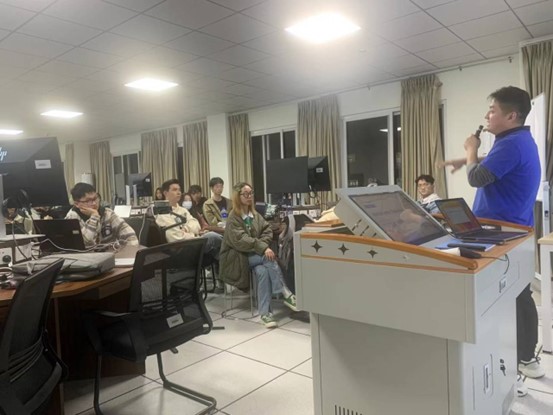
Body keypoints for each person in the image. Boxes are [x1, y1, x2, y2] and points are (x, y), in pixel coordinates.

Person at [441, 86, 543, 395]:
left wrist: (471, 149)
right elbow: (495, 165)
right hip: (514, 228)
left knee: (506, 297)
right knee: (520, 294)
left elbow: (478, 178)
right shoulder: (519, 141)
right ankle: (526, 358)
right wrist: (466, 158)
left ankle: (517, 364)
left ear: (511, 116)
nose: (487, 115)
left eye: (493, 110)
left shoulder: (510, 144)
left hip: (500, 232)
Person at [219, 182, 298, 328]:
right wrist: (263, 248)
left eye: (251, 193)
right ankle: (285, 293)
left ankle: (265, 314)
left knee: (263, 272)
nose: (249, 196)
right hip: (236, 258)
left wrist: (261, 246)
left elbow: (267, 230)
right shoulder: (233, 217)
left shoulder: (254, 215)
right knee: (268, 257)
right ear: (237, 196)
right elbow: (241, 240)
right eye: (246, 194)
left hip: (253, 255)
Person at [155, 179, 222, 266]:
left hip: (193, 243)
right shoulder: (163, 213)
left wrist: (186, 229)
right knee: (213, 237)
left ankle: (225, 270)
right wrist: (194, 235)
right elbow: (175, 237)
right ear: (165, 193)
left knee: (218, 248)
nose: (178, 192)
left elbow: (196, 225)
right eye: (174, 190)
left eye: (179, 190)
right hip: (181, 249)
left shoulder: (183, 210)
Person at [66, 182, 138, 248]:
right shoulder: (72, 217)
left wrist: (130, 251)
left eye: (95, 198)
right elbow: (86, 243)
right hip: (85, 257)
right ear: (77, 204)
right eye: (88, 201)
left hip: (110, 255)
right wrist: (94, 216)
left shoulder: (107, 213)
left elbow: (129, 235)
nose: (94, 203)